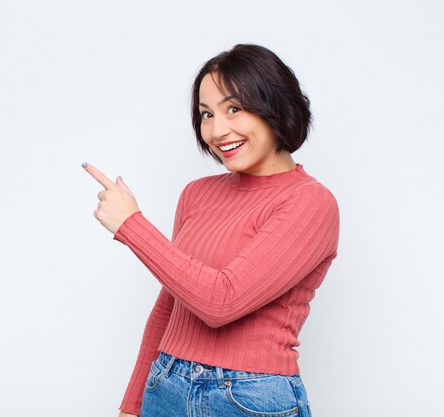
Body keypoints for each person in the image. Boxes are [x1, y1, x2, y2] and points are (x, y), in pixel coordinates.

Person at [82, 43, 339, 417]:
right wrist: (133, 403)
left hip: (247, 399)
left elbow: (221, 302)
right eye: (206, 114)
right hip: (165, 384)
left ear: (276, 106)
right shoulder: (197, 193)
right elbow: (169, 306)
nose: (217, 130)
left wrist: (131, 225)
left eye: (234, 108)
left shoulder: (309, 202)